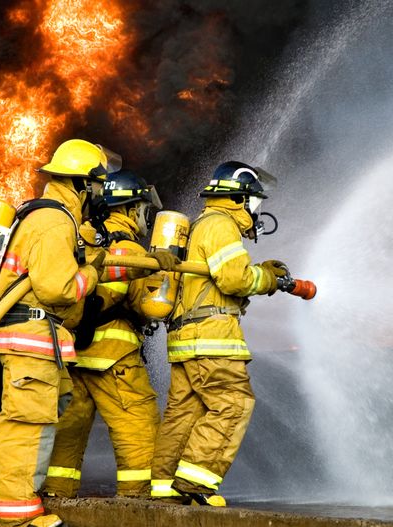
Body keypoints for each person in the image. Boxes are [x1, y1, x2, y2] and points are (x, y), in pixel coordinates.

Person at [0, 139, 110, 527]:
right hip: (31, 334)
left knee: (58, 399)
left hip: (39, 336)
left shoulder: (49, 215)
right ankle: (17, 515)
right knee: (28, 423)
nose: (102, 193)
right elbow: (57, 288)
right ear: (81, 184)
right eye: (99, 184)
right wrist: (92, 272)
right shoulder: (55, 220)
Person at [150, 161, 288, 506]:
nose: (256, 211)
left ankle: (165, 488)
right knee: (233, 403)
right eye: (254, 202)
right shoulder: (221, 225)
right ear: (240, 199)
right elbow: (234, 279)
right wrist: (267, 278)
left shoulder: (200, 225)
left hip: (186, 339)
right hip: (211, 338)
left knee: (185, 413)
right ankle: (197, 481)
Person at [41, 169, 172, 499]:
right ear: (131, 210)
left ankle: (57, 494)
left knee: (68, 429)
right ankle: (137, 501)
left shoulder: (78, 236)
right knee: (137, 426)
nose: (145, 216)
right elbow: (148, 307)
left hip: (69, 355)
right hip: (115, 358)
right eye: (143, 209)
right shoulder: (132, 250)